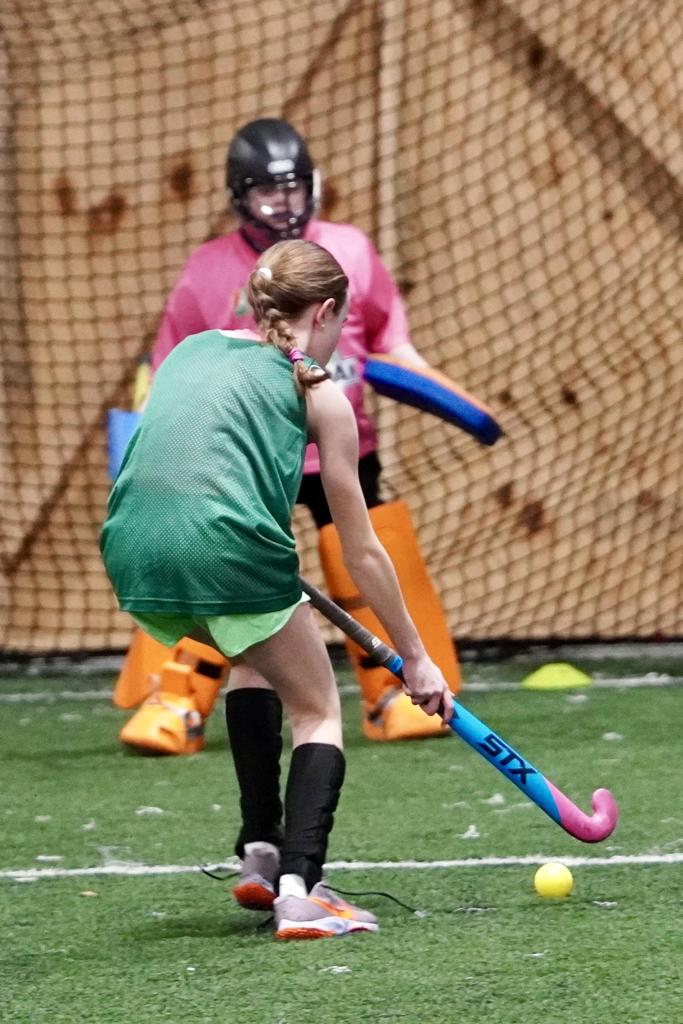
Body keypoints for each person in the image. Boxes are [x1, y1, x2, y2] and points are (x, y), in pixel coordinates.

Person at [101, 239, 454, 939]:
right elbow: (360, 549)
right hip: (228, 553)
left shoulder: (192, 350)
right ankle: (302, 890)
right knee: (318, 710)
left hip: (132, 553)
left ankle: (261, 851)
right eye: (338, 320)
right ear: (324, 312)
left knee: (253, 659)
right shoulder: (321, 394)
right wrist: (414, 658)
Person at [117, 116, 460, 743]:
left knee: (366, 545)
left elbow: (393, 341)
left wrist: (449, 394)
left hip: (340, 442)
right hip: (243, 460)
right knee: (216, 560)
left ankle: (393, 690)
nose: (283, 203)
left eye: (293, 188)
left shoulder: (350, 249)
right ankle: (178, 696)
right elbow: (169, 376)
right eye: (267, 192)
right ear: (238, 197)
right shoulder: (206, 268)